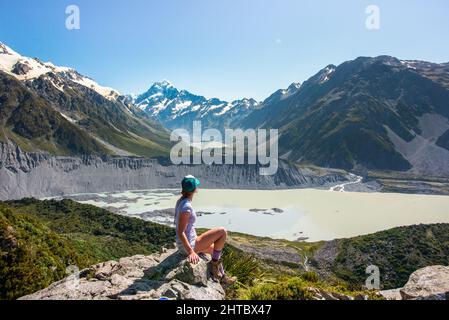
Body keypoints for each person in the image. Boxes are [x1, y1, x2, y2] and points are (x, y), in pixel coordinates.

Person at [175, 175, 236, 285]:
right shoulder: (186, 207)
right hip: (189, 245)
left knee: (213, 250)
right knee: (222, 232)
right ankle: (214, 266)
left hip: (188, 242)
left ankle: (222, 278)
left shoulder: (181, 201)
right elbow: (181, 231)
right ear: (195, 190)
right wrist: (191, 252)